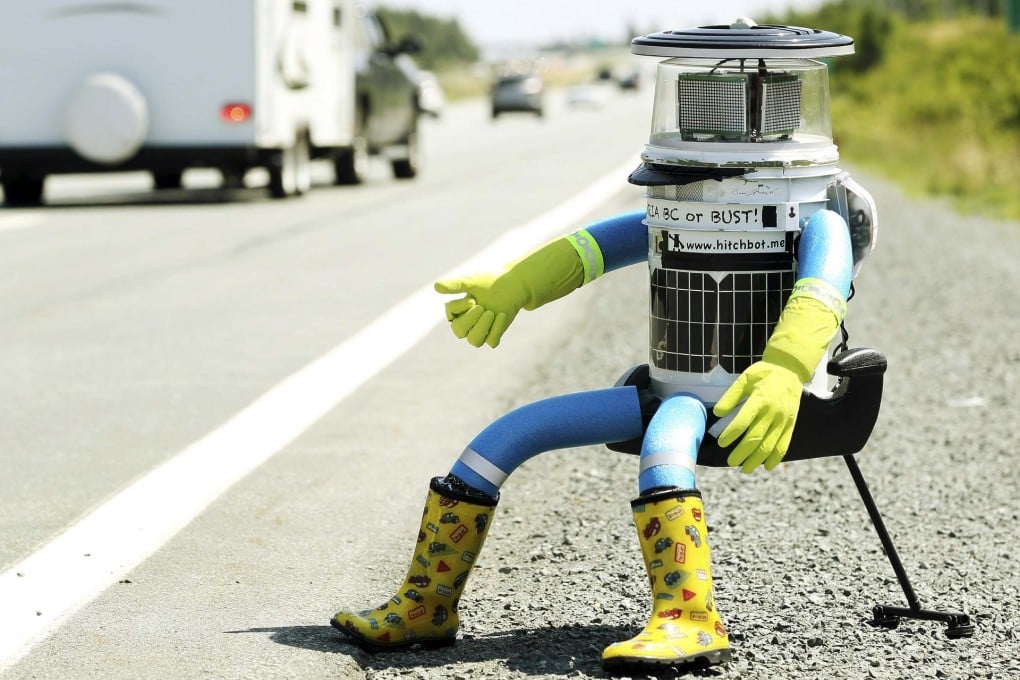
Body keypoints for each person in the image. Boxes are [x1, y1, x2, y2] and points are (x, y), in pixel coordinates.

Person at [332, 19, 871, 674]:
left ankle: (687, 616)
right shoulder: (673, 201)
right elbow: (590, 250)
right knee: (505, 437)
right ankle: (426, 605)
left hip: (751, 404)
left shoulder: (817, 215)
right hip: (671, 387)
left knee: (663, 452)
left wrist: (786, 371)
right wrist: (514, 287)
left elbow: (819, 292)